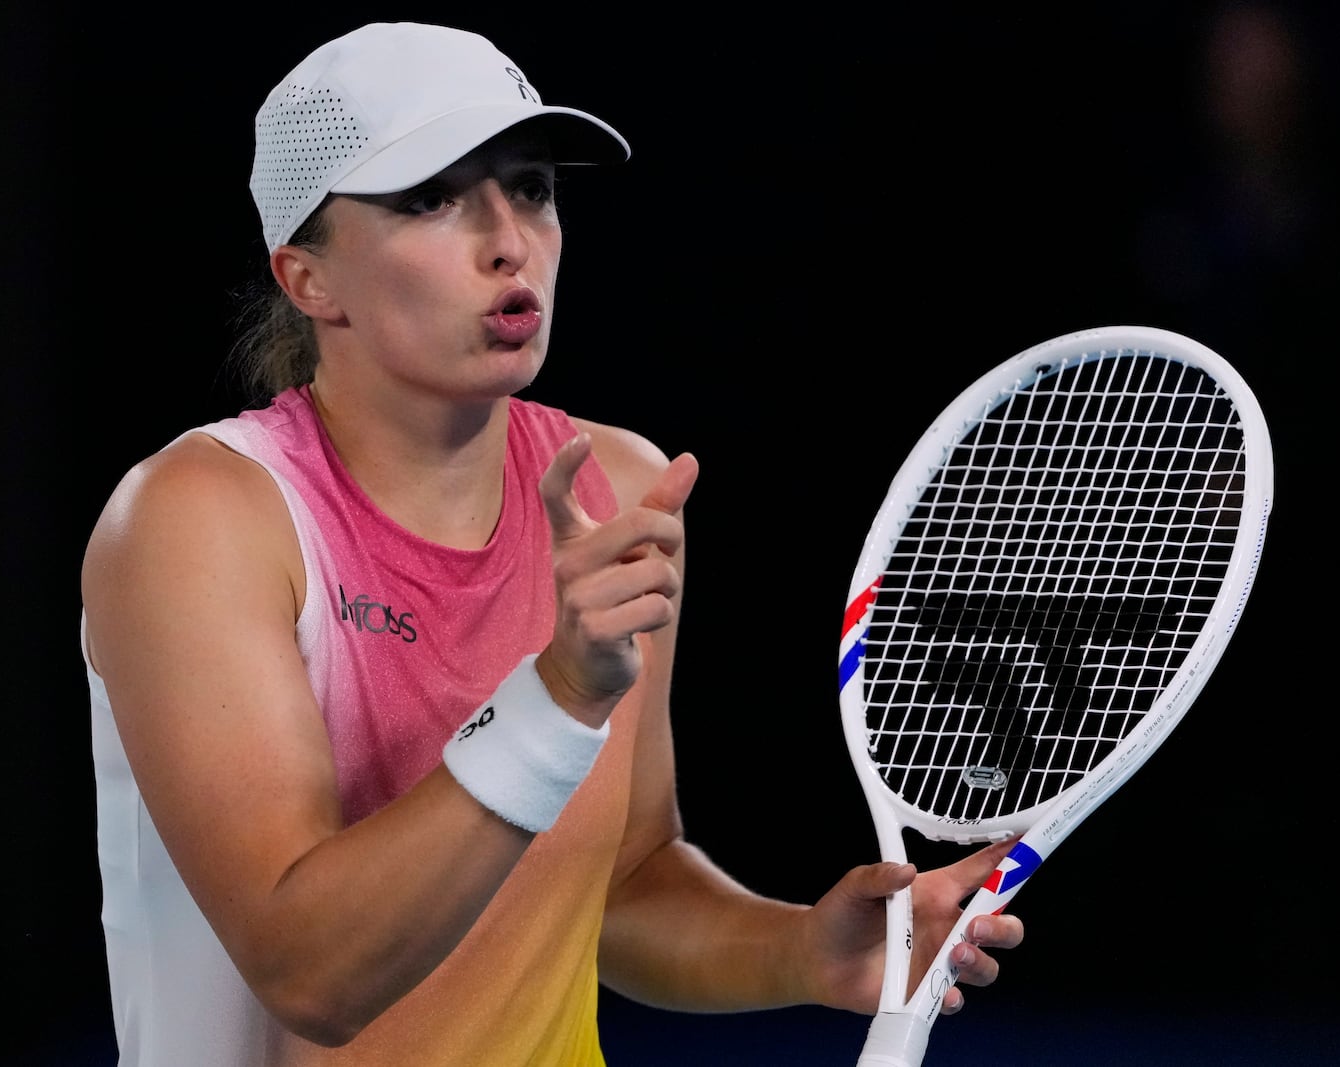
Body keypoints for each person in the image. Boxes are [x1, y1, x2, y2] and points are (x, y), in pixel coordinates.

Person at [80, 20, 1024, 1066]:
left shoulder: (614, 487)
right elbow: (313, 973)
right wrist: (561, 694)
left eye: (528, 187)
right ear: (309, 278)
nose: (506, 238)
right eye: (431, 197)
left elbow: (621, 883)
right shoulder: (199, 518)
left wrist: (800, 947)